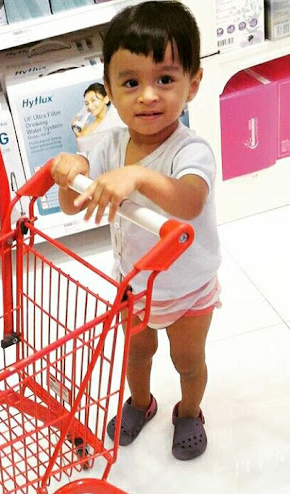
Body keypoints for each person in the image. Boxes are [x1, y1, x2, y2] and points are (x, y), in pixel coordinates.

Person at [51, 1, 221, 461]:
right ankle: (141, 403)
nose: (147, 95)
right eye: (130, 83)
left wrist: (139, 177)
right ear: (109, 90)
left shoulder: (191, 150)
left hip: (188, 287)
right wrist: (70, 174)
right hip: (134, 284)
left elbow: (190, 201)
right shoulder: (108, 145)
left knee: (187, 361)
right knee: (136, 352)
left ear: (193, 84)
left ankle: (190, 412)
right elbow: (71, 206)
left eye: (164, 79)